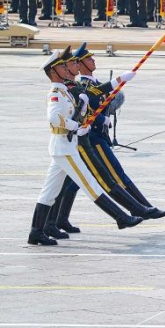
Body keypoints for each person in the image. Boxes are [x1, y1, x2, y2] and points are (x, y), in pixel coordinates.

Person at [28, 48, 142, 246]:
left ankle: (36, 232)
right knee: (90, 183)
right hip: (64, 147)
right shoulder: (56, 93)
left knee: (49, 192)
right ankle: (121, 218)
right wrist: (75, 126)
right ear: (53, 72)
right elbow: (53, 118)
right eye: (62, 66)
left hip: (64, 146)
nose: (66, 68)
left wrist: (81, 118)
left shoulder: (64, 91)